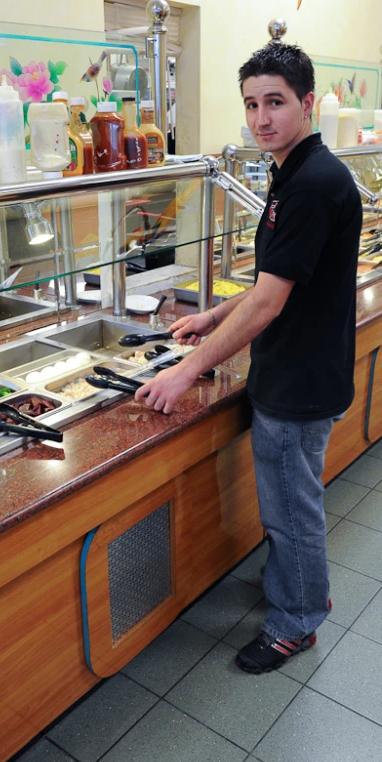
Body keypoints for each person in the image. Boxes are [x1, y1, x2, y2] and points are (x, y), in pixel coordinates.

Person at [134, 43, 362, 674]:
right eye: (253, 104)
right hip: (298, 370)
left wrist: (185, 370)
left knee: (292, 513)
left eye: (276, 103)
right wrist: (209, 317)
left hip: (299, 383)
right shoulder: (291, 173)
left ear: (307, 103)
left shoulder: (314, 185)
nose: (262, 118)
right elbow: (271, 280)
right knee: (292, 507)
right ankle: (302, 591)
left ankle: (296, 623)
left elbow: (266, 304)